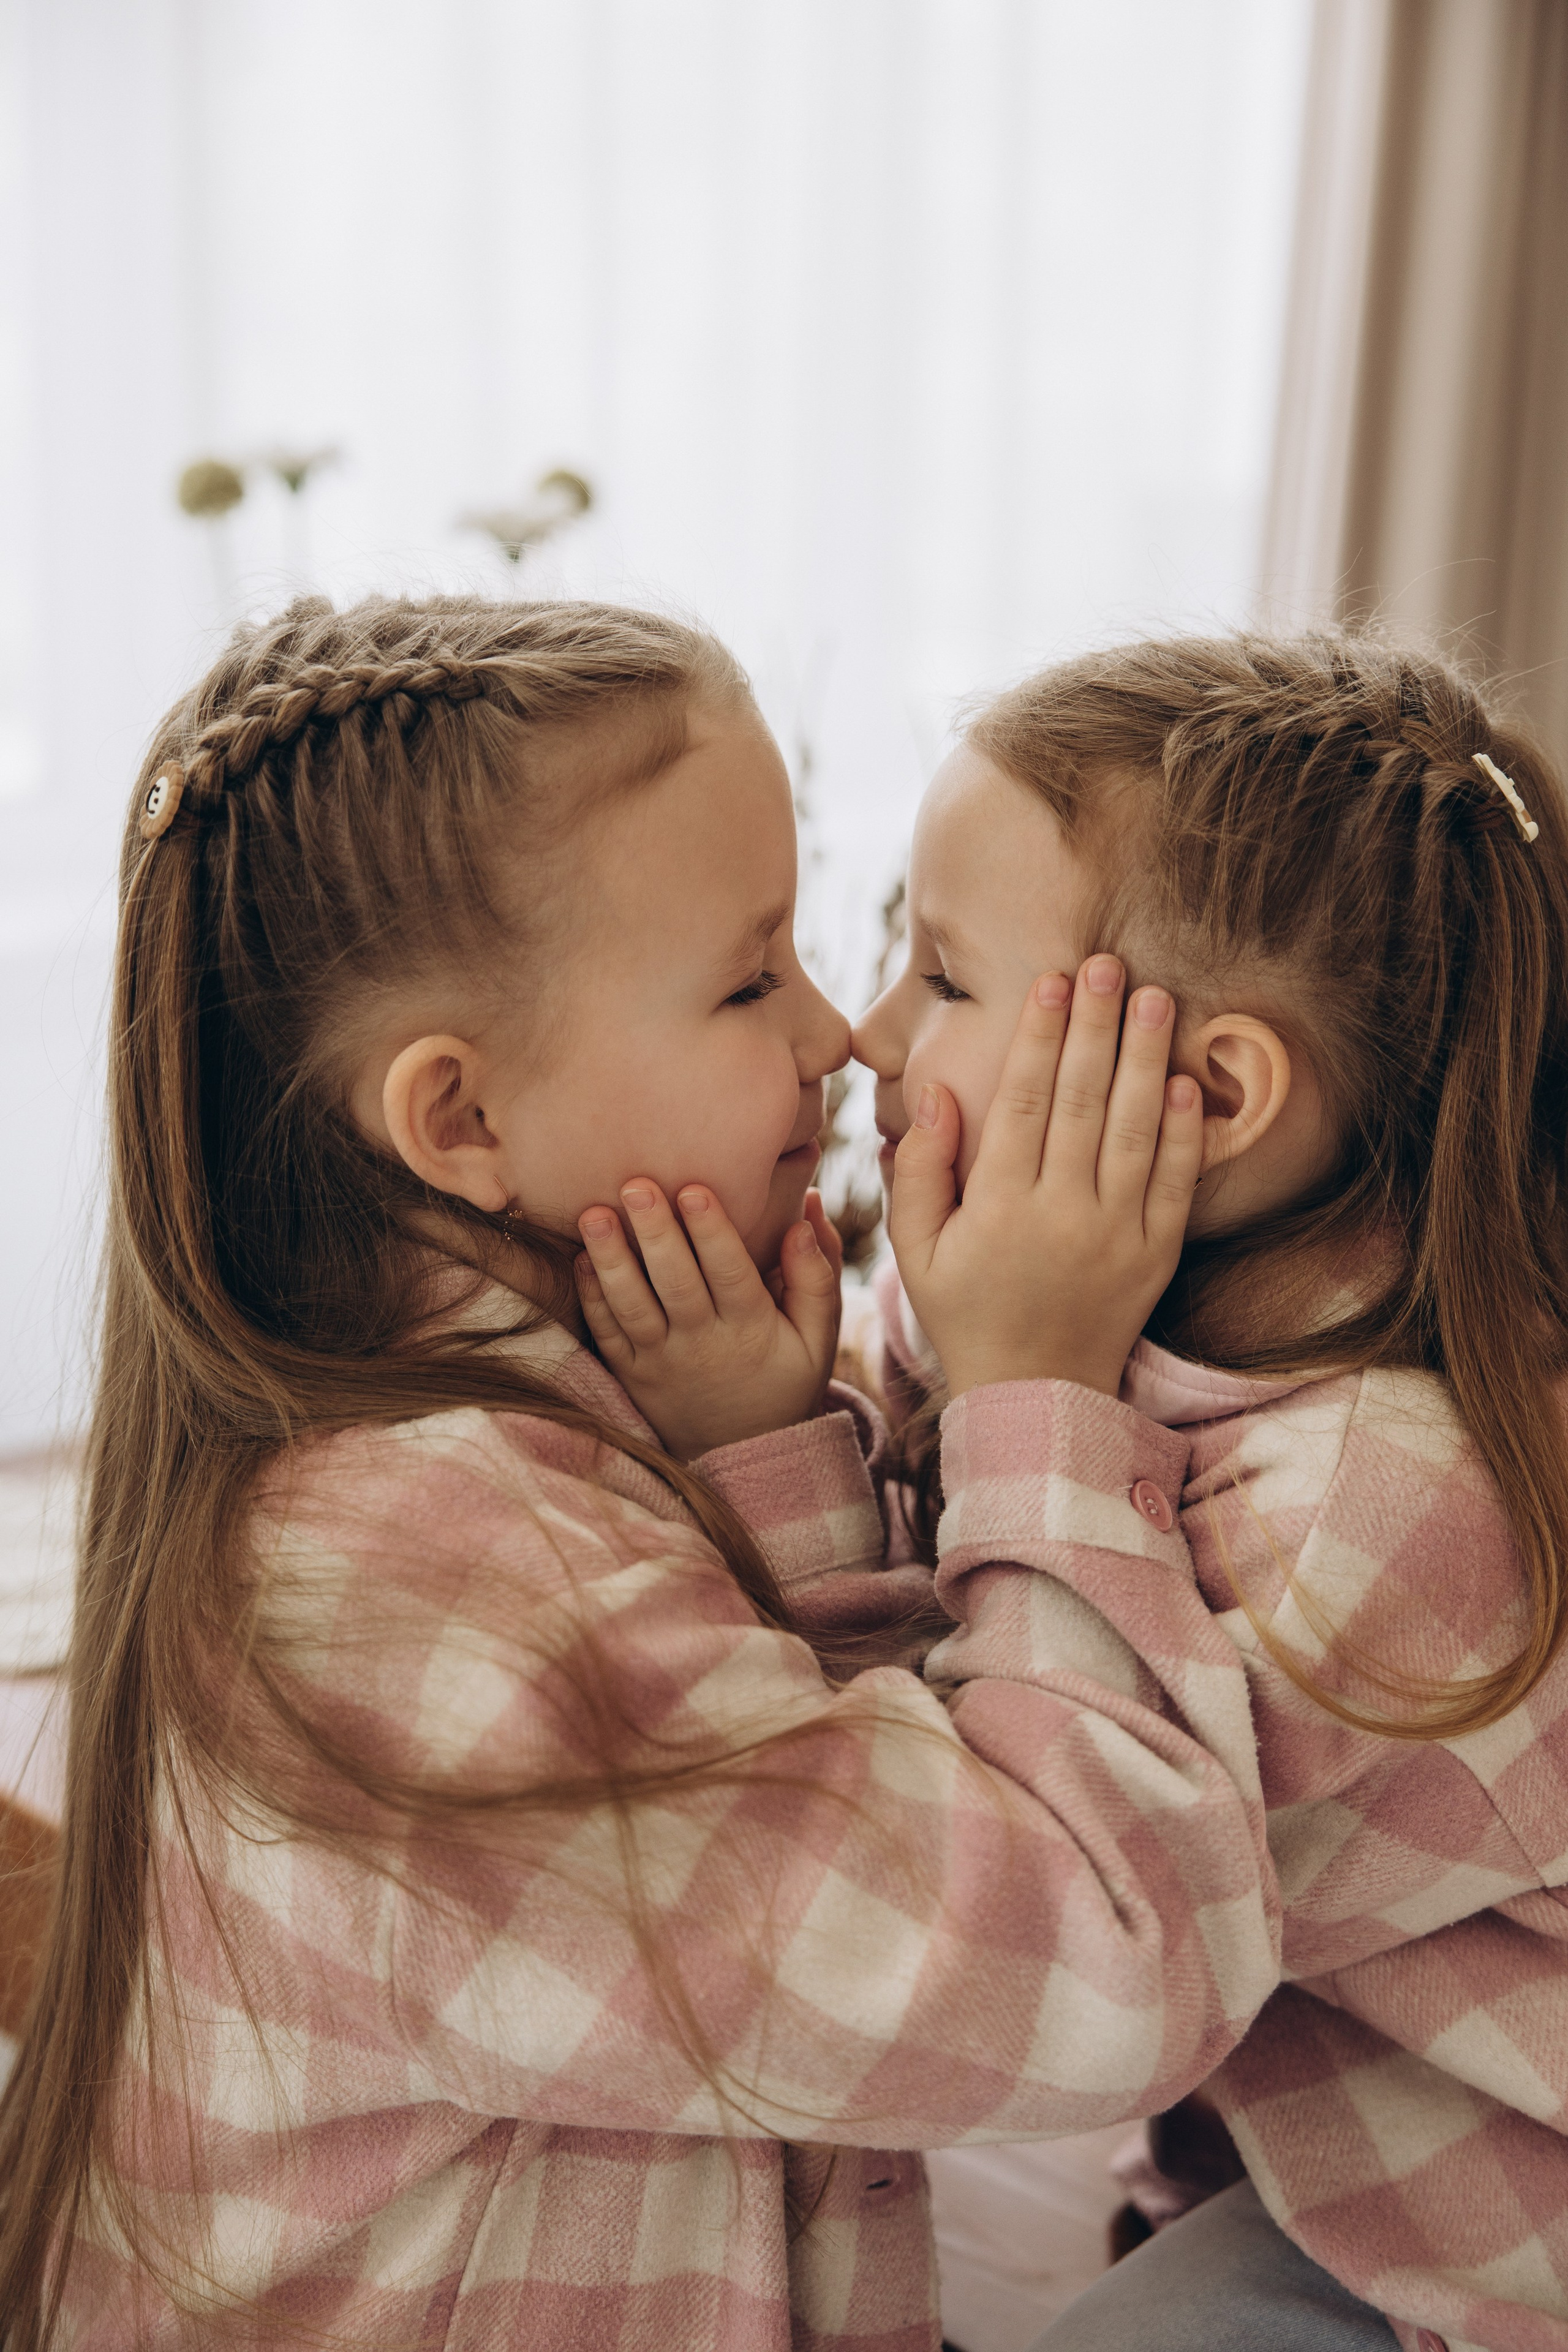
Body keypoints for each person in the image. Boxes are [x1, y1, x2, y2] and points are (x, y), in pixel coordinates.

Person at [0, 594, 1270, 2351]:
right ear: (457, 1122)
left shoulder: (443, 1460)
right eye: (752, 974)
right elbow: (1107, 1971)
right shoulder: (422, 1590)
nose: (838, 1035)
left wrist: (765, 1467)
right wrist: (1042, 1394)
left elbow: (801, 1830)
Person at [848, 631, 1568, 2351]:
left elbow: (1004, 1934)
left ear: (1212, 1097)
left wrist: (1021, 1390)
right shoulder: (1074, 1312)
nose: (867, 1026)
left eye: (941, 976)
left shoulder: (1380, 1515)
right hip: (1301, 2141)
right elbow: (903, 1620)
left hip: (1496, 2252)